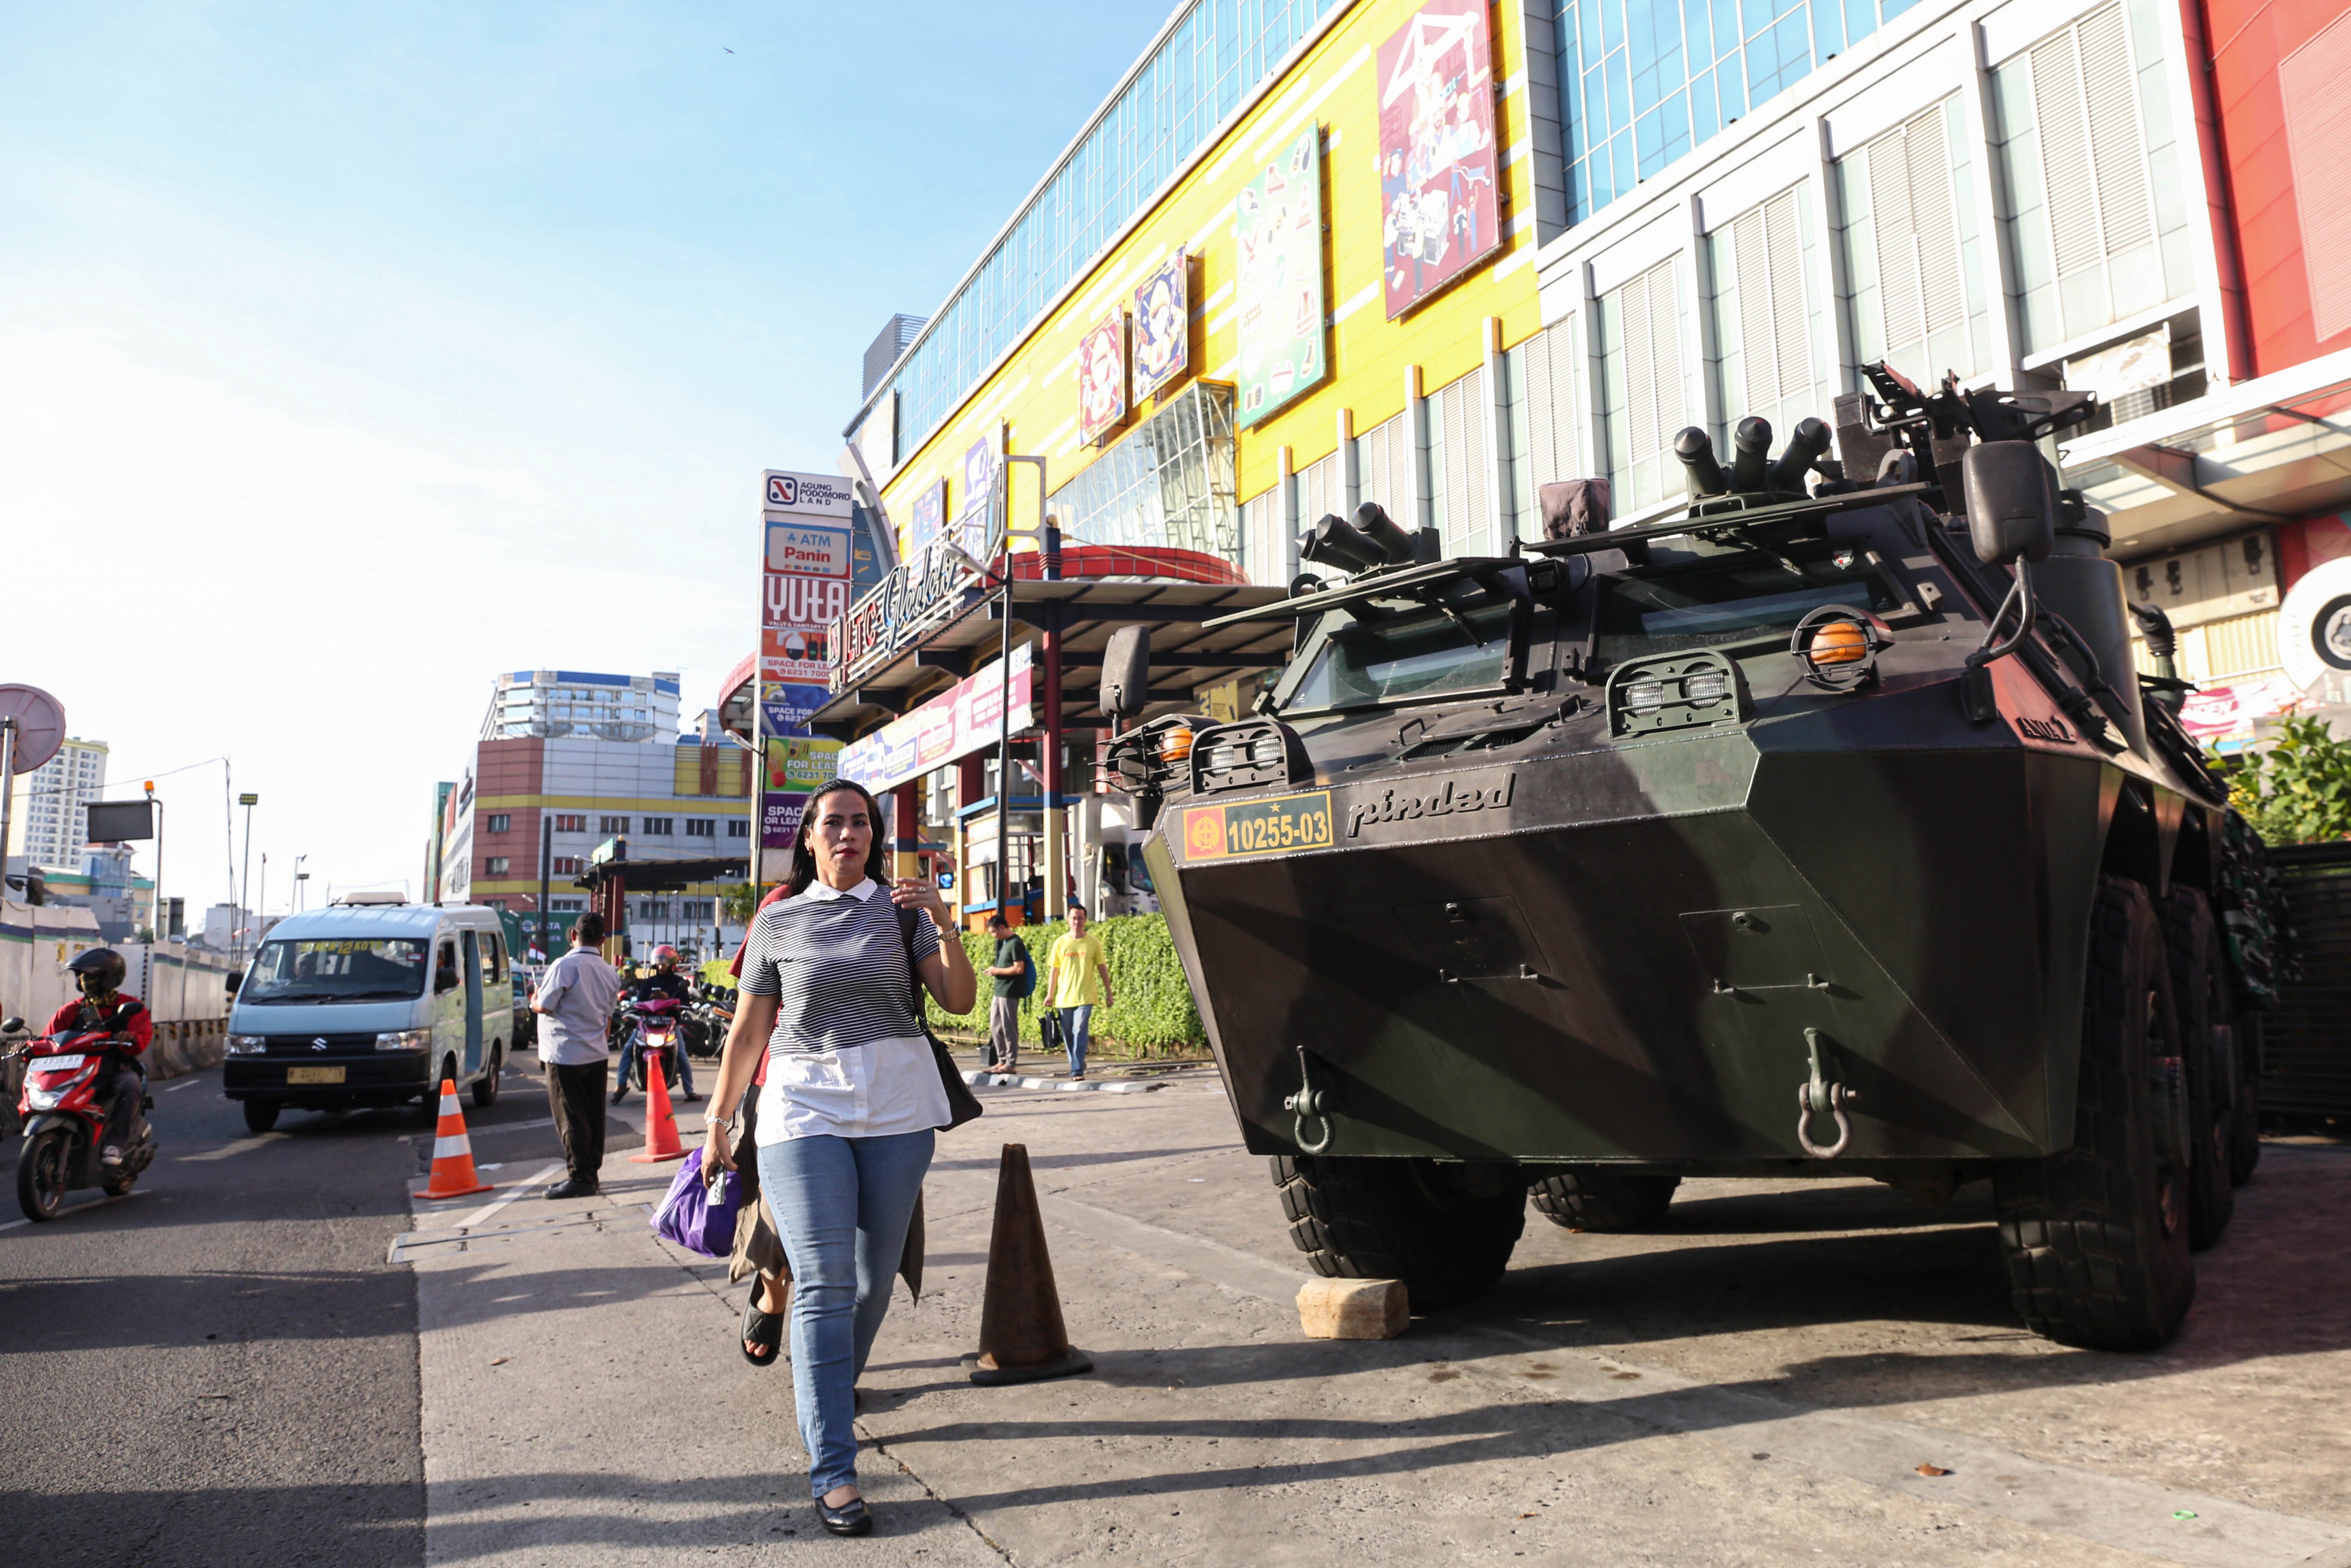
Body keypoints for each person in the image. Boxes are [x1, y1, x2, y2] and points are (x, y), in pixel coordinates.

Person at [702, 777, 977, 1537]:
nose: (849, 833)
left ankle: (822, 1384)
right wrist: (720, 1119)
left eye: (862, 822)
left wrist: (946, 923)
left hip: (896, 1106)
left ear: (874, 836)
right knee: (821, 1277)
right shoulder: (778, 921)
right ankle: (833, 1466)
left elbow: (957, 1000)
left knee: (871, 1281)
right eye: (834, 823)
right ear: (811, 837)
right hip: (802, 1106)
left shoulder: (904, 914)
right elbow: (749, 1032)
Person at [531, 912, 622, 1199]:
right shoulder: (610, 972)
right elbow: (608, 1016)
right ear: (603, 940)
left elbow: (545, 1006)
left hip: (564, 1053)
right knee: (594, 1117)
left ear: (574, 935)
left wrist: (534, 1000)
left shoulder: (564, 965)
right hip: (595, 1052)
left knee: (571, 1116)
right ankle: (591, 1171)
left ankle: (580, 1177)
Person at [43, 948, 151, 1167]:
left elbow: (141, 1039)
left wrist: (129, 1038)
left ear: (110, 978)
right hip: (75, 1073)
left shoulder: (131, 1008)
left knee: (130, 1085)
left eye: (91, 976)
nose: (85, 981)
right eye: (81, 976)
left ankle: (116, 1144)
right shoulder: (69, 1012)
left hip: (114, 1070)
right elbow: (48, 1041)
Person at [613, 944, 698, 1104]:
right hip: (647, 1023)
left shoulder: (679, 983)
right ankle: (621, 1084)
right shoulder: (649, 982)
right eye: (659, 963)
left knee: (682, 1055)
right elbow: (640, 1001)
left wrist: (673, 1000)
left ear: (672, 964)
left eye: (664, 963)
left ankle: (690, 1090)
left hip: (670, 1023)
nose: (661, 966)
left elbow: (686, 1002)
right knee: (628, 1049)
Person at [1042, 903, 1113, 1080]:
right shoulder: (1060, 943)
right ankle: (1078, 1062)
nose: (1077, 922)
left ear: (1086, 920)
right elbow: (1054, 970)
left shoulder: (1093, 943)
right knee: (1068, 1036)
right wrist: (1050, 994)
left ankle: (1077, 1070)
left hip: (1086, 996)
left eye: (1080, 918)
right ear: (1068, 920)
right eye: (1074, 918)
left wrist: (1109, 993)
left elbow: (1102, 968)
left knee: (1080, 1030)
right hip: (1064, 998)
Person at [981, 912, 1030, 1072]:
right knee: (996, 1026)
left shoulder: (1015, 943)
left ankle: (1011, 1063)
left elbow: (1019, 968)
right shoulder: (1006, 943)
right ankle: (1002, 1061)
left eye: (994, 932)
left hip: (1010, 992)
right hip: (1000, 991)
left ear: (1002, 927)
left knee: (1009, 1027)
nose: (994, 936)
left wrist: (997, 971)